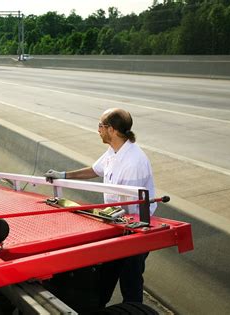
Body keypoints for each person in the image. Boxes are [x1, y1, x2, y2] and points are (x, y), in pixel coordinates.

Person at [44, 108, 156, 308]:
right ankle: (97, 306)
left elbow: (133, 206)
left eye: (100, 126)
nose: (98, 130)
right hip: (115, 225)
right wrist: (64, 175)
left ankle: (135, 309)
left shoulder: (133, 161)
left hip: (134, 229)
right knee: (108, 272)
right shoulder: (114, 151)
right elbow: (94, 170)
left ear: (112, 130)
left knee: (130, 278)